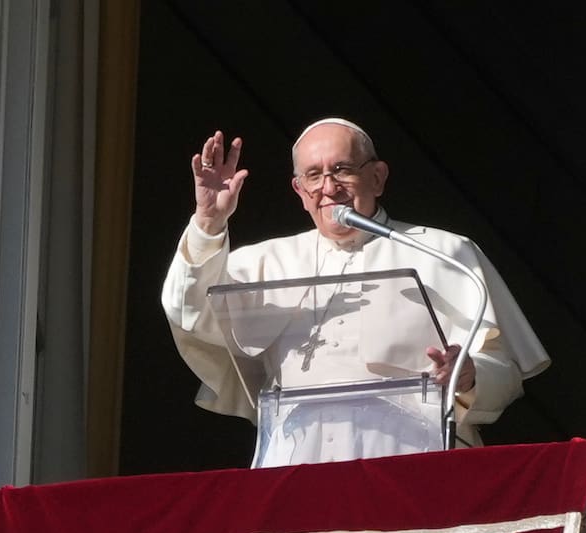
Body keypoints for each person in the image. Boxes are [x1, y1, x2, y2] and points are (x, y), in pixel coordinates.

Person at [162, 118, 549, 467]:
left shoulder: (445, 252)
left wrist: (469, 375)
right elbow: (189, 313)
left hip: (414, 461)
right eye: (313, 175)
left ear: (378, 177)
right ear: (299, 190)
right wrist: (208, 223)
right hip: (295, 464)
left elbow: (505, 370)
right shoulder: (264, 262)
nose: (329, 187)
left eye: (342, 169)